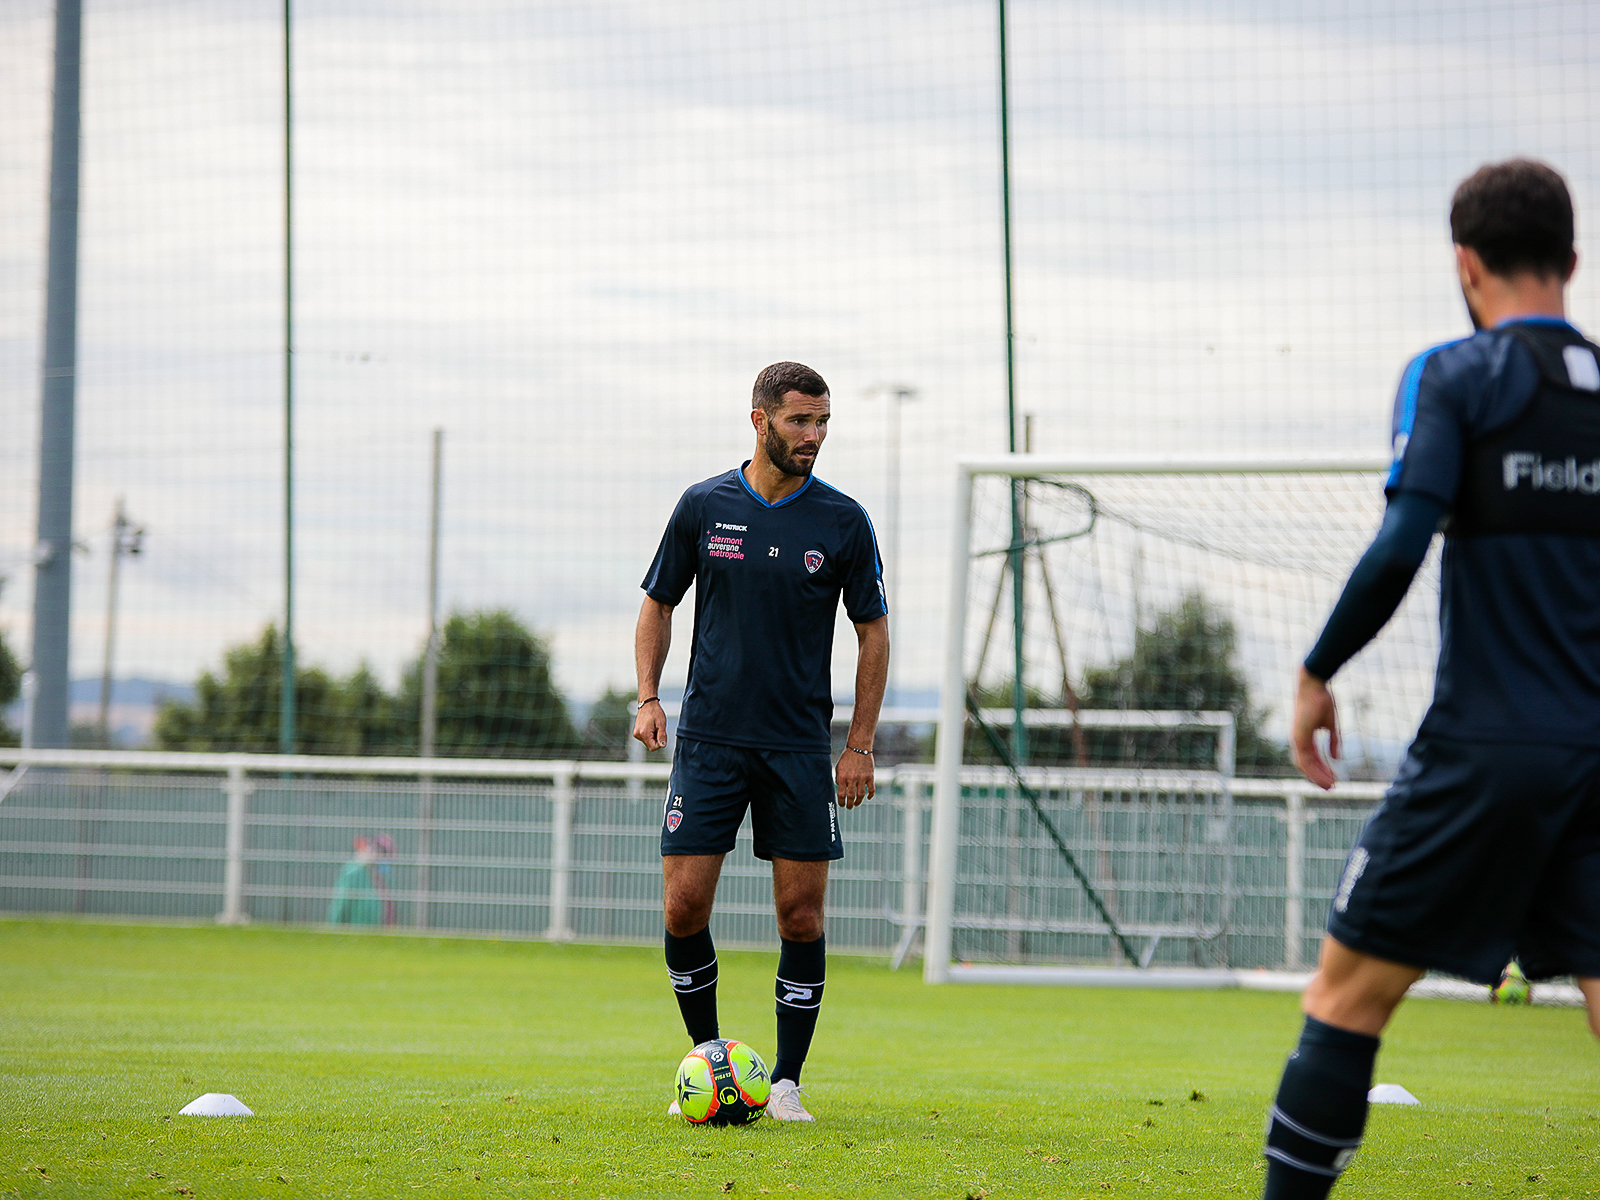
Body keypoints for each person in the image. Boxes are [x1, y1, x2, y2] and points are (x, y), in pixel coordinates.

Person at [1261, 158, 1600, 1198]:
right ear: (1573, 261)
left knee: (1345, 995)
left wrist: (1318, 670)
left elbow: (1404, 540)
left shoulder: (1453, 375)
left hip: (1482, 747)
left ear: (1464, 264)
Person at [633, 361, 890, 1122]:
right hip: (709, 740)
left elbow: (872, 632)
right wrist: (649, 697)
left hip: (799, 749)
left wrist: (861, 743)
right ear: (760, 419)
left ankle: (785, 1084)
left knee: (802, 918)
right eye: (799, 421)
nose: (812, 436)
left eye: (822, 422)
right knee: (683, 907)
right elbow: (657, 602)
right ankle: (709, 1067)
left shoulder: (843, 520)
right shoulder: (704, 505)